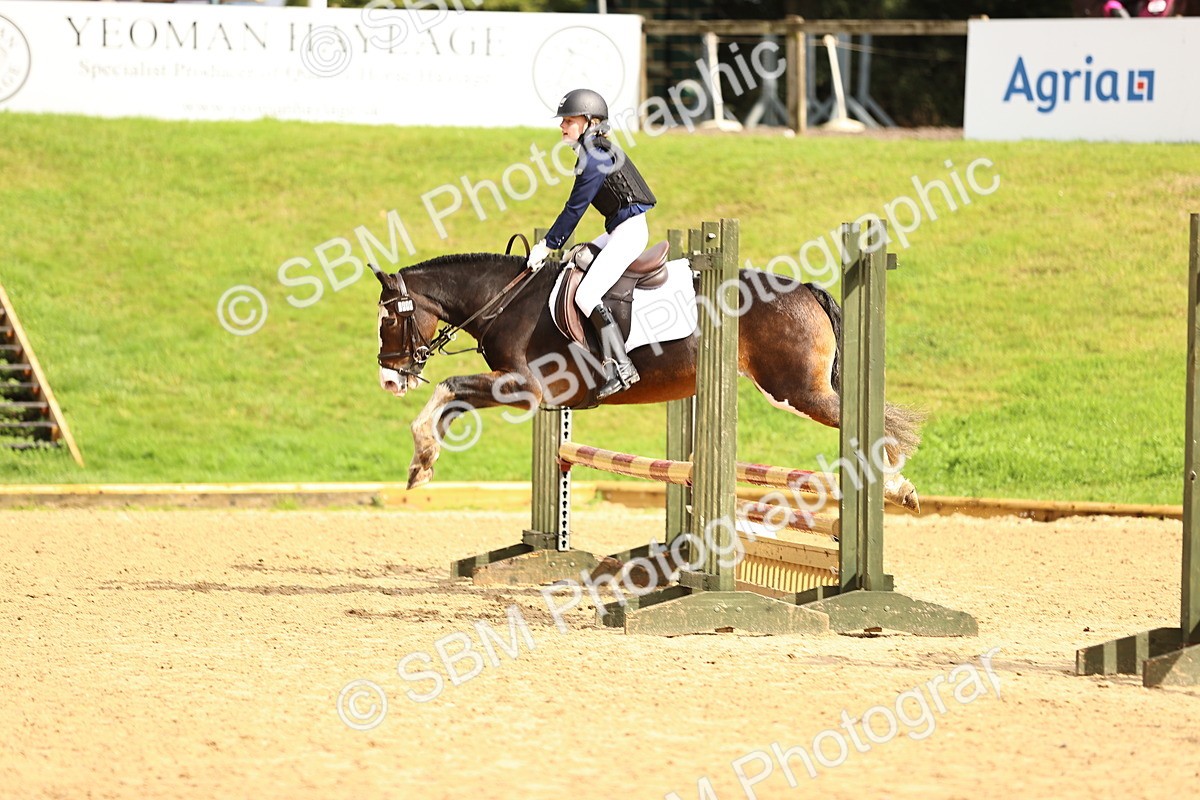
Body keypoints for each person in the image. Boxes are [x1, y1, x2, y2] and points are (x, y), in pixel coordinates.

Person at [527, 88, 657, 401]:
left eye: (568, 121)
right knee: (577, 259)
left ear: (589, 122)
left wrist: (548, 244)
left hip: (629, 232)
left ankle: (621, 365)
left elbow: (575, 208)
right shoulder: (595, 151)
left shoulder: (597, 156)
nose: (562, 127)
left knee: (586, 294)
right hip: (619, 229)